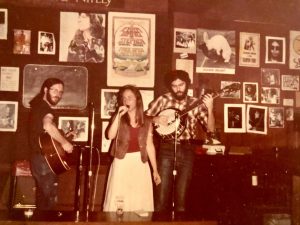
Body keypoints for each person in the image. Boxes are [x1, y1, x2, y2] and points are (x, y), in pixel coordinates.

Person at [145, 70, 215, 212]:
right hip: (166, 149)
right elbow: (143, 118)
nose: (178, 88)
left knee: (182, 199)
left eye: (181, 84)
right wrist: (155, 119)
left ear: (187, 84)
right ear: (170, 86)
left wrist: (210, 108)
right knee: (161, 197)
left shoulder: (195, 103)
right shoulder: (163, 100)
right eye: (174, 85)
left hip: (188, 149)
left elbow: (210, 129)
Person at [103, 85, 161, 212]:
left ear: (137, 100)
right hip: (121, 162)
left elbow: (149, 145)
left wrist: (155, 170)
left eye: (130, 97)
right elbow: (110, 135)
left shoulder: (146, 121)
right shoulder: (119, 117)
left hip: (140, 163)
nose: (126, 101)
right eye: (124, 98)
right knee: (119, 197)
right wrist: (118, 116)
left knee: (139, 199)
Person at [28, 78, 73, 210]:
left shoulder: (37, 106)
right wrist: (65, 143)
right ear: (45, 90)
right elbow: (47, 126)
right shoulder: (46, 108)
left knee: (43, 199)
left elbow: (45, 136)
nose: (58, 94)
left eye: (60, 92)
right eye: (54, 90)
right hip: (44, 161)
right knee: (48, 202)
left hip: (38, 159)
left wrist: (63, 136)